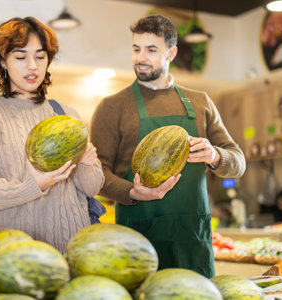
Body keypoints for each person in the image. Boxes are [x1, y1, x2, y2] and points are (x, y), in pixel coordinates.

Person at [90, 15, 246, 278]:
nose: (140, 57)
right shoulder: (112, 106)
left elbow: (238, 162)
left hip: (191, 237)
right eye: (136, 48)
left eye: (151, 50)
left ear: (171, 52)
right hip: (138, 237)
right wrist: (132, 192)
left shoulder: (201, 102)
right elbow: (95, 173)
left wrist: (215, 154)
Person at [0, 17, 104, 253]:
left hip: (73, 250)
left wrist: (89, 163)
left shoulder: (66, 115)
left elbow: (91, 188)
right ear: (2, 61)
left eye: (40, 56)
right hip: (15, 254)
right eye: (20, 57)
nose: (33, 66)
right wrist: (33, 185)